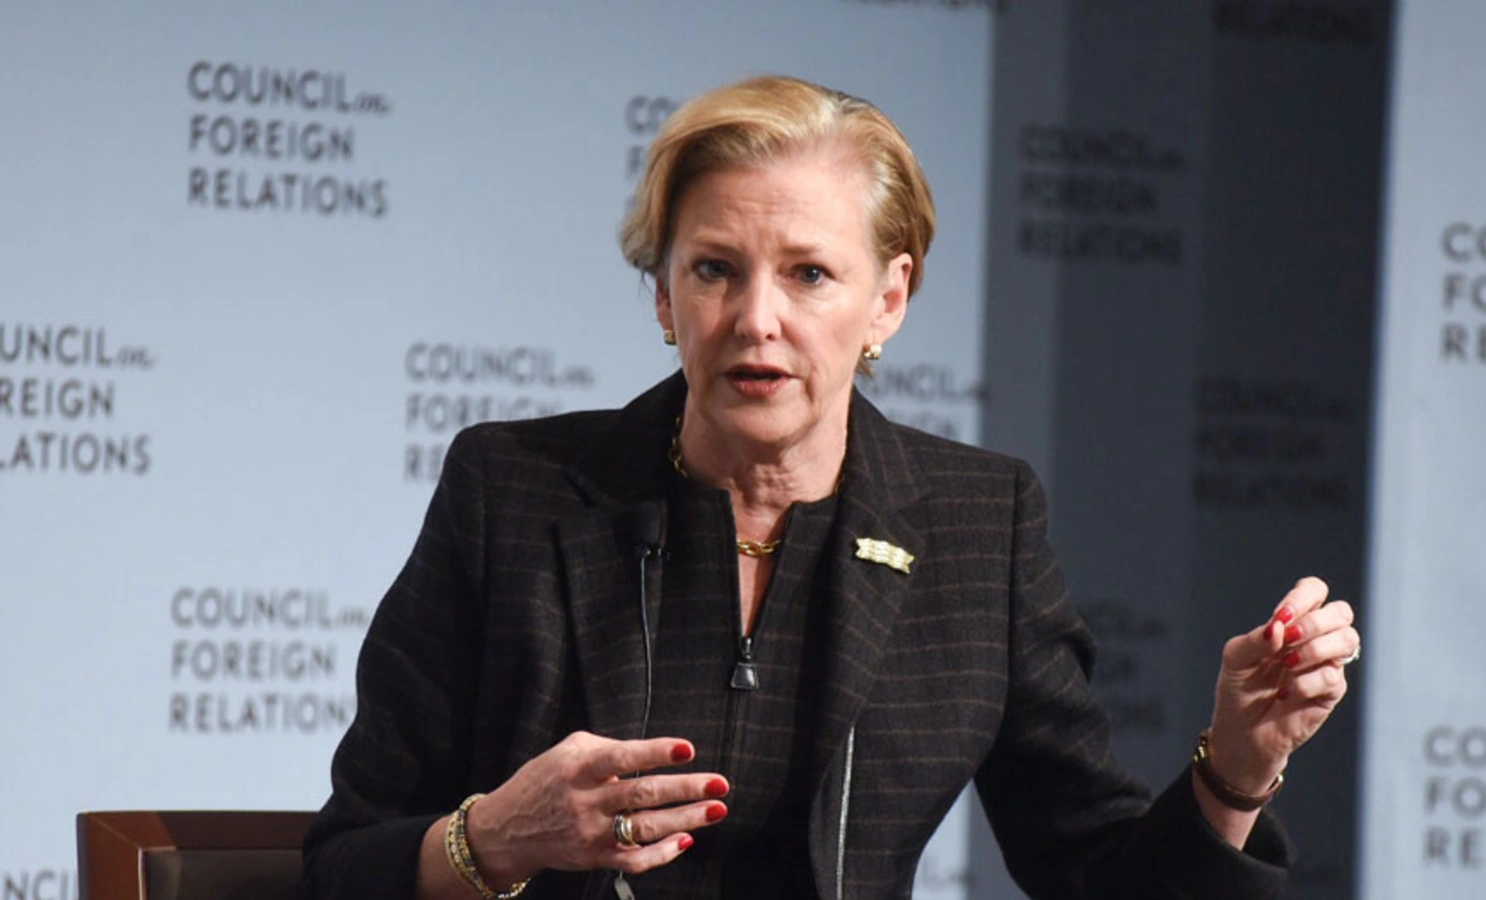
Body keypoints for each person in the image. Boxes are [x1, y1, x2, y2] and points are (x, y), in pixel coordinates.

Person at [300, 75, 1360, 900]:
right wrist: (496, 838)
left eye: (808, 274)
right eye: (714, 269)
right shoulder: (513, 495)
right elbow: (342, 864)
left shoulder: (977, 527)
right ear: (664, 296)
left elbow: (1097, 876)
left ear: (888, 299)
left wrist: (1236, 766)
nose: (756, 319)